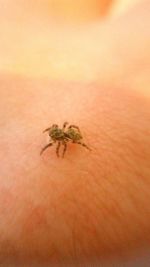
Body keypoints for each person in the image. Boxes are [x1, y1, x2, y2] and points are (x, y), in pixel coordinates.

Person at [0, 0, 150, 266]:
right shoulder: (62, 130)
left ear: (60, 135)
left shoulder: (63, 140)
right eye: (56, 134)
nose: (55, 136)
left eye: (56, 135)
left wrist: (72, 146)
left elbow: (64, 140)